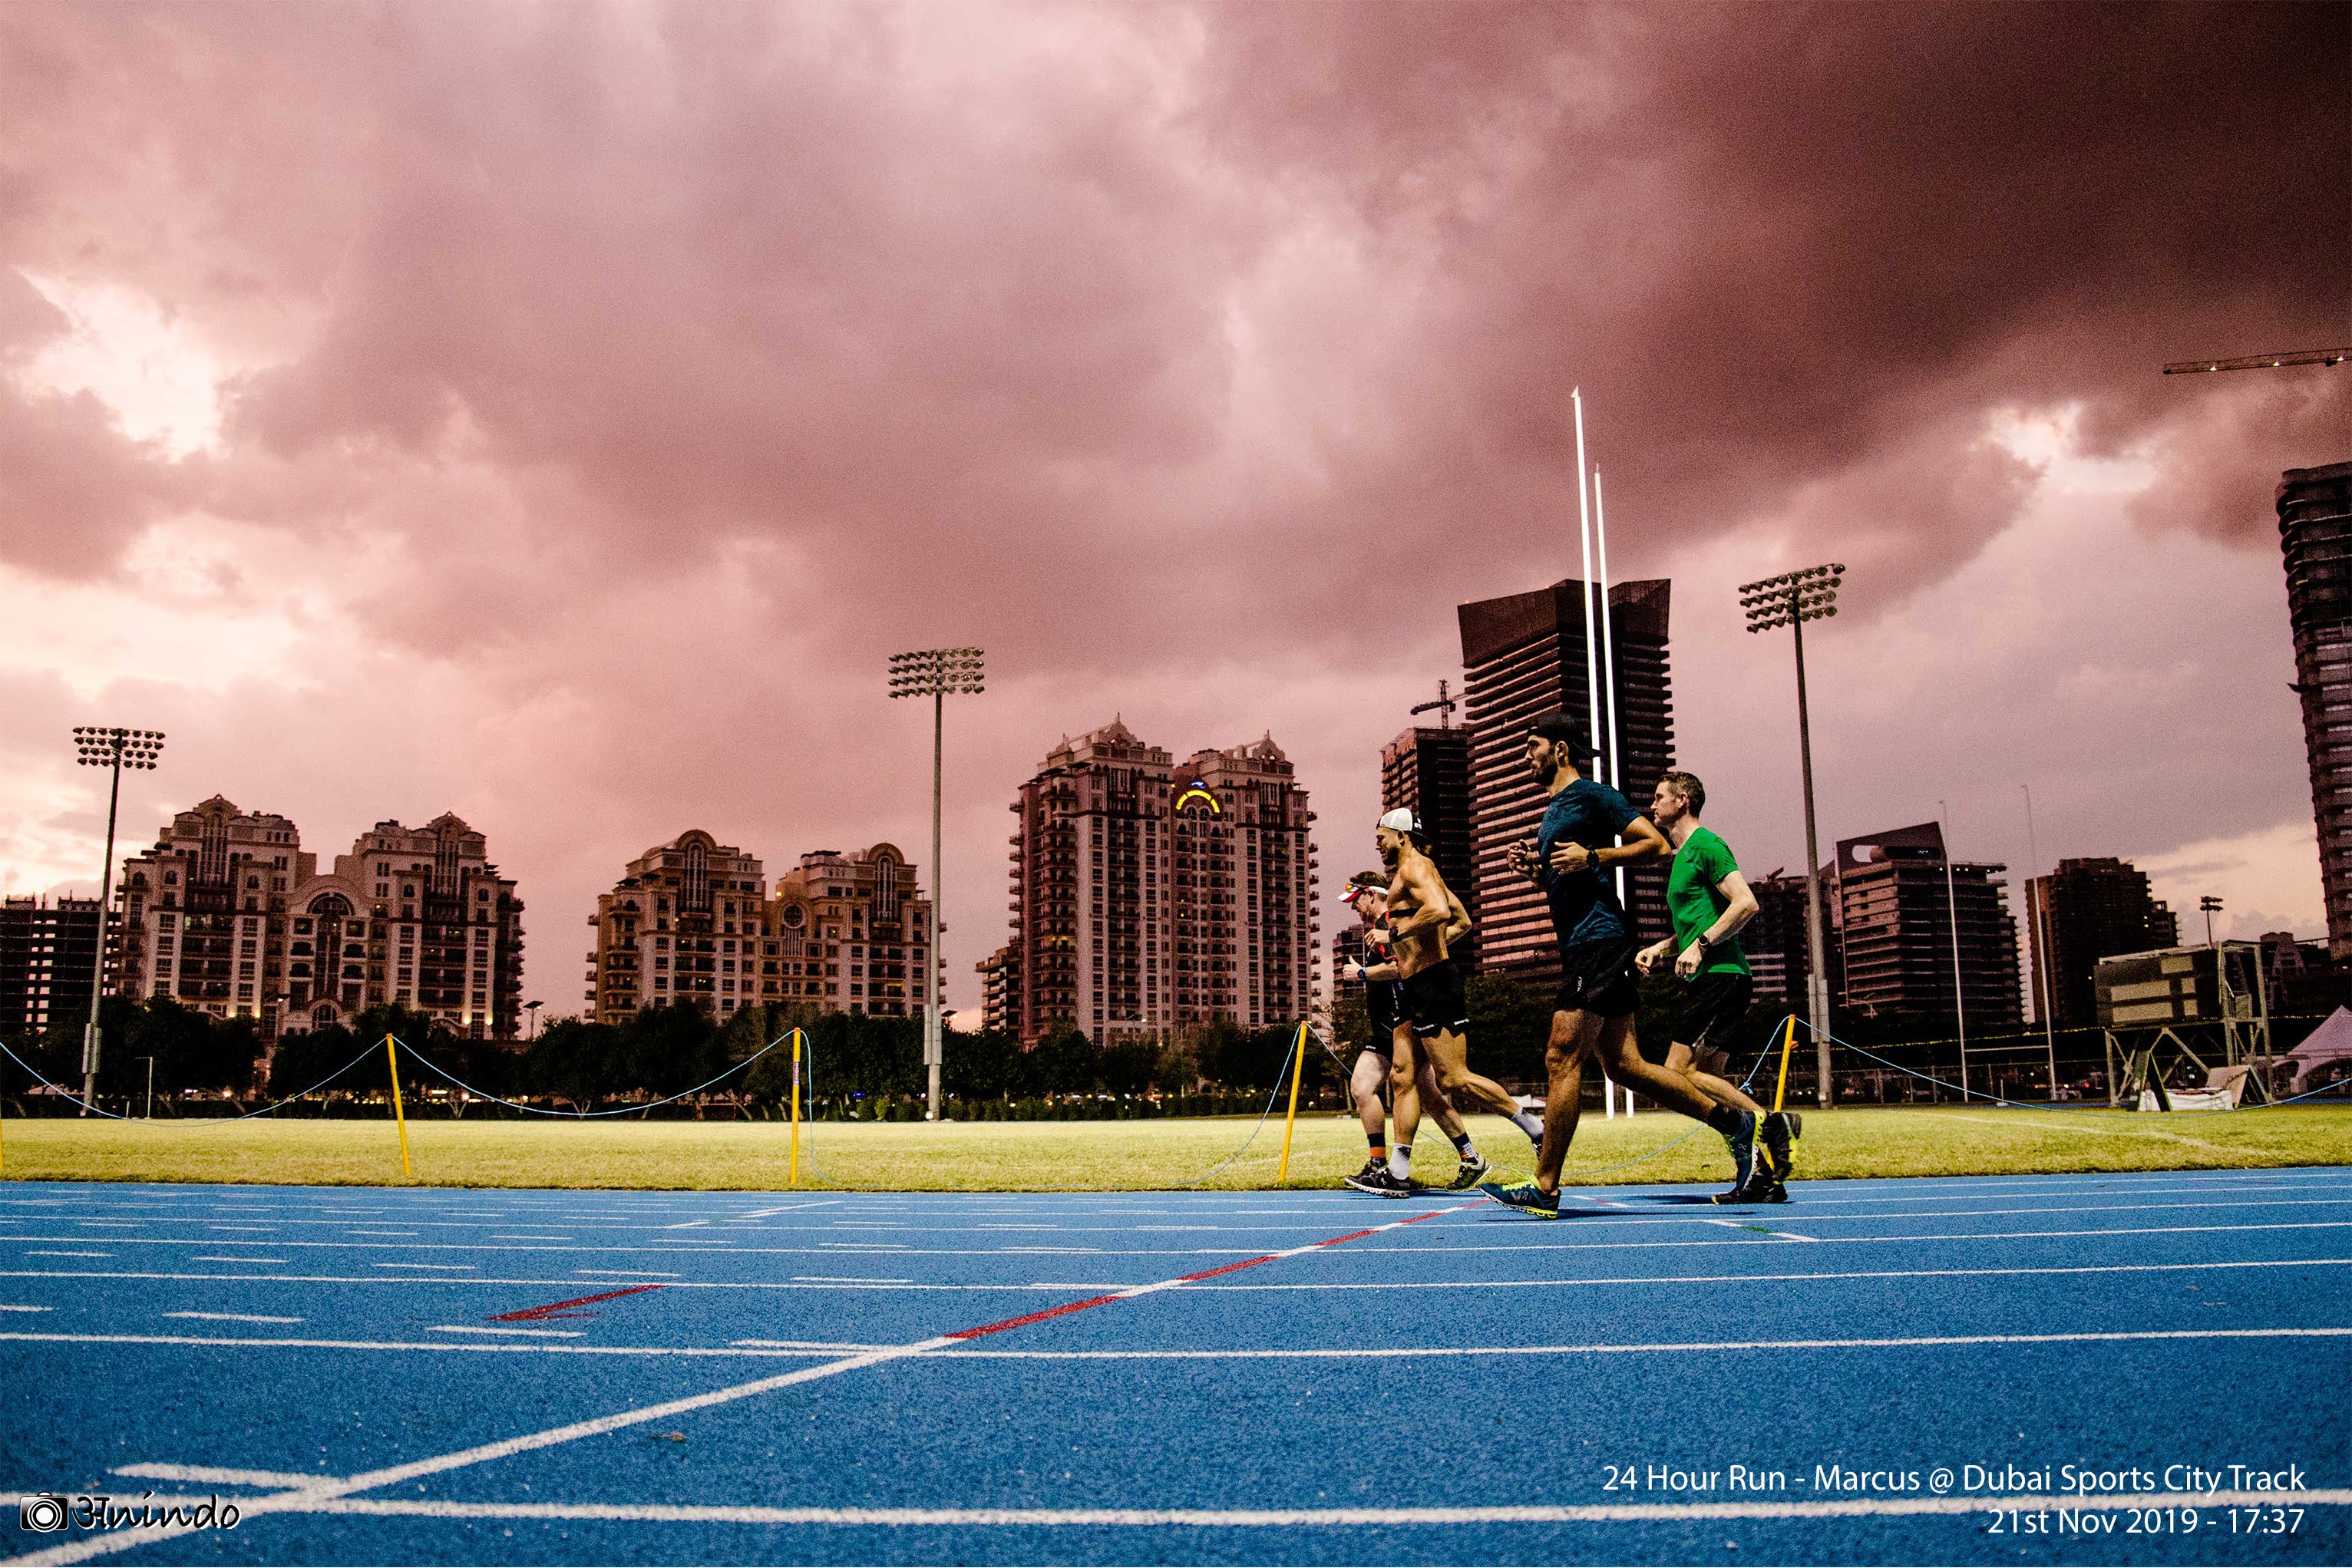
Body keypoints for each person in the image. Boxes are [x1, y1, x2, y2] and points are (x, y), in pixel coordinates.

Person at [1481, 715, 1761, 1219]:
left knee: (1561, 1056)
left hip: (1600, 941)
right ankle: (1735, 1125)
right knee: (1625, 1066)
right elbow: (1567, 876)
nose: (1527, 756)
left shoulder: (1590, 794)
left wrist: (1594, 856)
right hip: (1586, 943)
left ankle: (1544, 1185)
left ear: (1560, 750)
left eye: (1532, 746)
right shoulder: (1554, 812)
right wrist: (1538, 871)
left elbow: (1653, 843)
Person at [1634, 769, 1798, 1202]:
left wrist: (1702, 946)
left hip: (1722, 978)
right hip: (1714, 977)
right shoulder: (1681, 856)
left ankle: (1770, 1122)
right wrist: (1663, 948)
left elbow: (1746, 902)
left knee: (1677, 1071)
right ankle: (1764, 1178)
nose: (1652, 806)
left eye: (1658, 798)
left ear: (1683, 800)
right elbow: (1695, 928)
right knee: (1708, 1077)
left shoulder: (1706, 845)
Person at [1371, 807, 1548, 1186]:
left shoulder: (1416, 869)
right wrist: (1424, 948)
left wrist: (1398, 937)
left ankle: (1536, 1128)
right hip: (1416, 986)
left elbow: (1437, 910)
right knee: (1403, 1076)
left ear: (1402, 836)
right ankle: (1398, 1171)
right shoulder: (1417, 870)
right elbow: (1462, 921)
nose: (1378, 844)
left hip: (1435, 985)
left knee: (1453, 1080)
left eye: (1382, 837)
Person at [1334, 872, 1489, 1195]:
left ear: (1373, 894)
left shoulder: (1390, 926)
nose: (1353, 908)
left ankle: (1492, 1147)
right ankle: (1383, 1165)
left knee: (1438, 1090)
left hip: (1403, 1023)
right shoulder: (1381, 929)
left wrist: (1361, 974)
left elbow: (1403, 967)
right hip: (1388, 1028)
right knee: (1366, 1087)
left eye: (1356, 900)